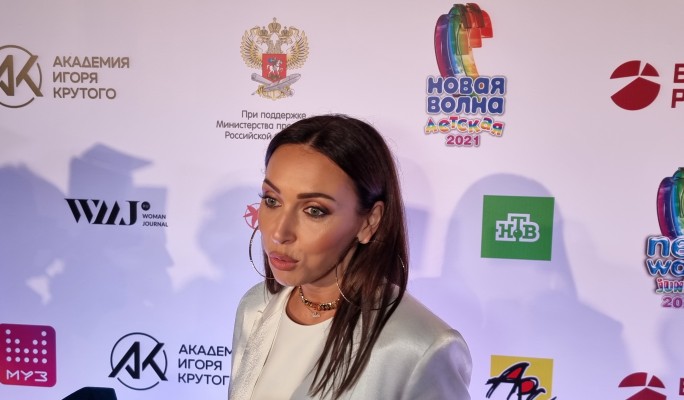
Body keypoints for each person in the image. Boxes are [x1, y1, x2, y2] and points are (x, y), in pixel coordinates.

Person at [228, 114, 471, 400]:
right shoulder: (255, 308)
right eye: (272, 200)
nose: (280, 232)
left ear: (369, 221)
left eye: (314, 210)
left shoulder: (420, 346)